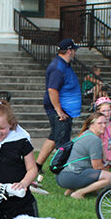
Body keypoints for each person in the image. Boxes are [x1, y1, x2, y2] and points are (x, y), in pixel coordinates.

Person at [35, 38, 81, 174]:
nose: (75, 53)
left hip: (63, 108)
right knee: (62, 140)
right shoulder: (58, 67)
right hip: (60, 109)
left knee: (54, 136)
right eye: (74, 50)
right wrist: (59, 110)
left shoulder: (64, 65)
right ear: (69, 51)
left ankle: (37, 165)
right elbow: (52, 89)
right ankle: (61, 170)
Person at [55, 112, 111, 199]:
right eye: (99, 123)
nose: (103, 125)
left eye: (105, 123)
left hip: (62, 175)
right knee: (109, 177)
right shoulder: (94, 140)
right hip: (70, 176)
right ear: (92, 125)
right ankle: (79, 193)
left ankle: (71, 190)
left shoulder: (85, 134)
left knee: (97, 174)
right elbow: (97, 166)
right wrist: (106, 172)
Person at [94, 96, 111, 167]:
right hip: (103, 156)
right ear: (98, 111)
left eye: (108, 110)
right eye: (103, 111)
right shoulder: (99, 126)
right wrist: (103, 156)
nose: (107, 113)